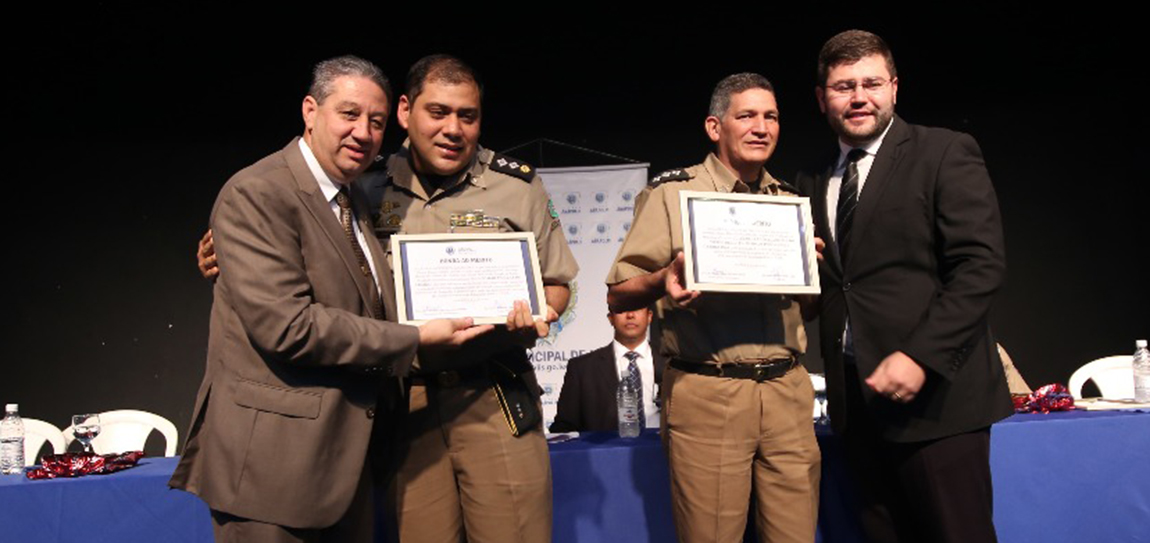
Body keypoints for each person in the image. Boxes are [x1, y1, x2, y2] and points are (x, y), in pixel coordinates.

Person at [169, 55, 491, 543]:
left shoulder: (354, 199)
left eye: (377, 122)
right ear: (310, 111)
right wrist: (416, 337)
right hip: (272, 471)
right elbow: (289, 328)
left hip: (342, 465)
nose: (363, 132)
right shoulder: (258, 192)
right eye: (349, 113)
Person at [795, 30, 1012, 543]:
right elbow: (833, 288)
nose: (858, 97)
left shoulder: (944, 152)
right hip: (857, 410)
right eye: (843, 86)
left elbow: (980, 266)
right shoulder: (811, 179)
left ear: (894, 87)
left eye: (871, 83)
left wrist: (920, 356)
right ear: (822, 98)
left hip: (937, 402)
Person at [370, 54, 577, 543]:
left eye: (468, 115)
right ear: (405, 111)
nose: (453, 128)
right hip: (407, 403)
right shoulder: (365, 186)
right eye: (438, 112)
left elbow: (558, 282)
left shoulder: (517, 185)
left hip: (495, 394)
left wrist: (544, 312)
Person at [607, 73, 820, 543]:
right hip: (710, 392)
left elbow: (806, 311)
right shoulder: (672, 194)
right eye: (746, 116)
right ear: (714, 126)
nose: (761, 127)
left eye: (771, 117)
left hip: (787, 391)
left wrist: (809, 269)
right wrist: (663, 280)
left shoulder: (787, 202)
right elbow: (619, 293)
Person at [549, 306, 666, 433]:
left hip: (665, 448)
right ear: (610, 318)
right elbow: (564, 426)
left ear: (649, 316)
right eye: (622, 310)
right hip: (606, 451)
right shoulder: (582, 368)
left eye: (637, 308)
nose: (630, 315)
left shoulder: (671, 363)